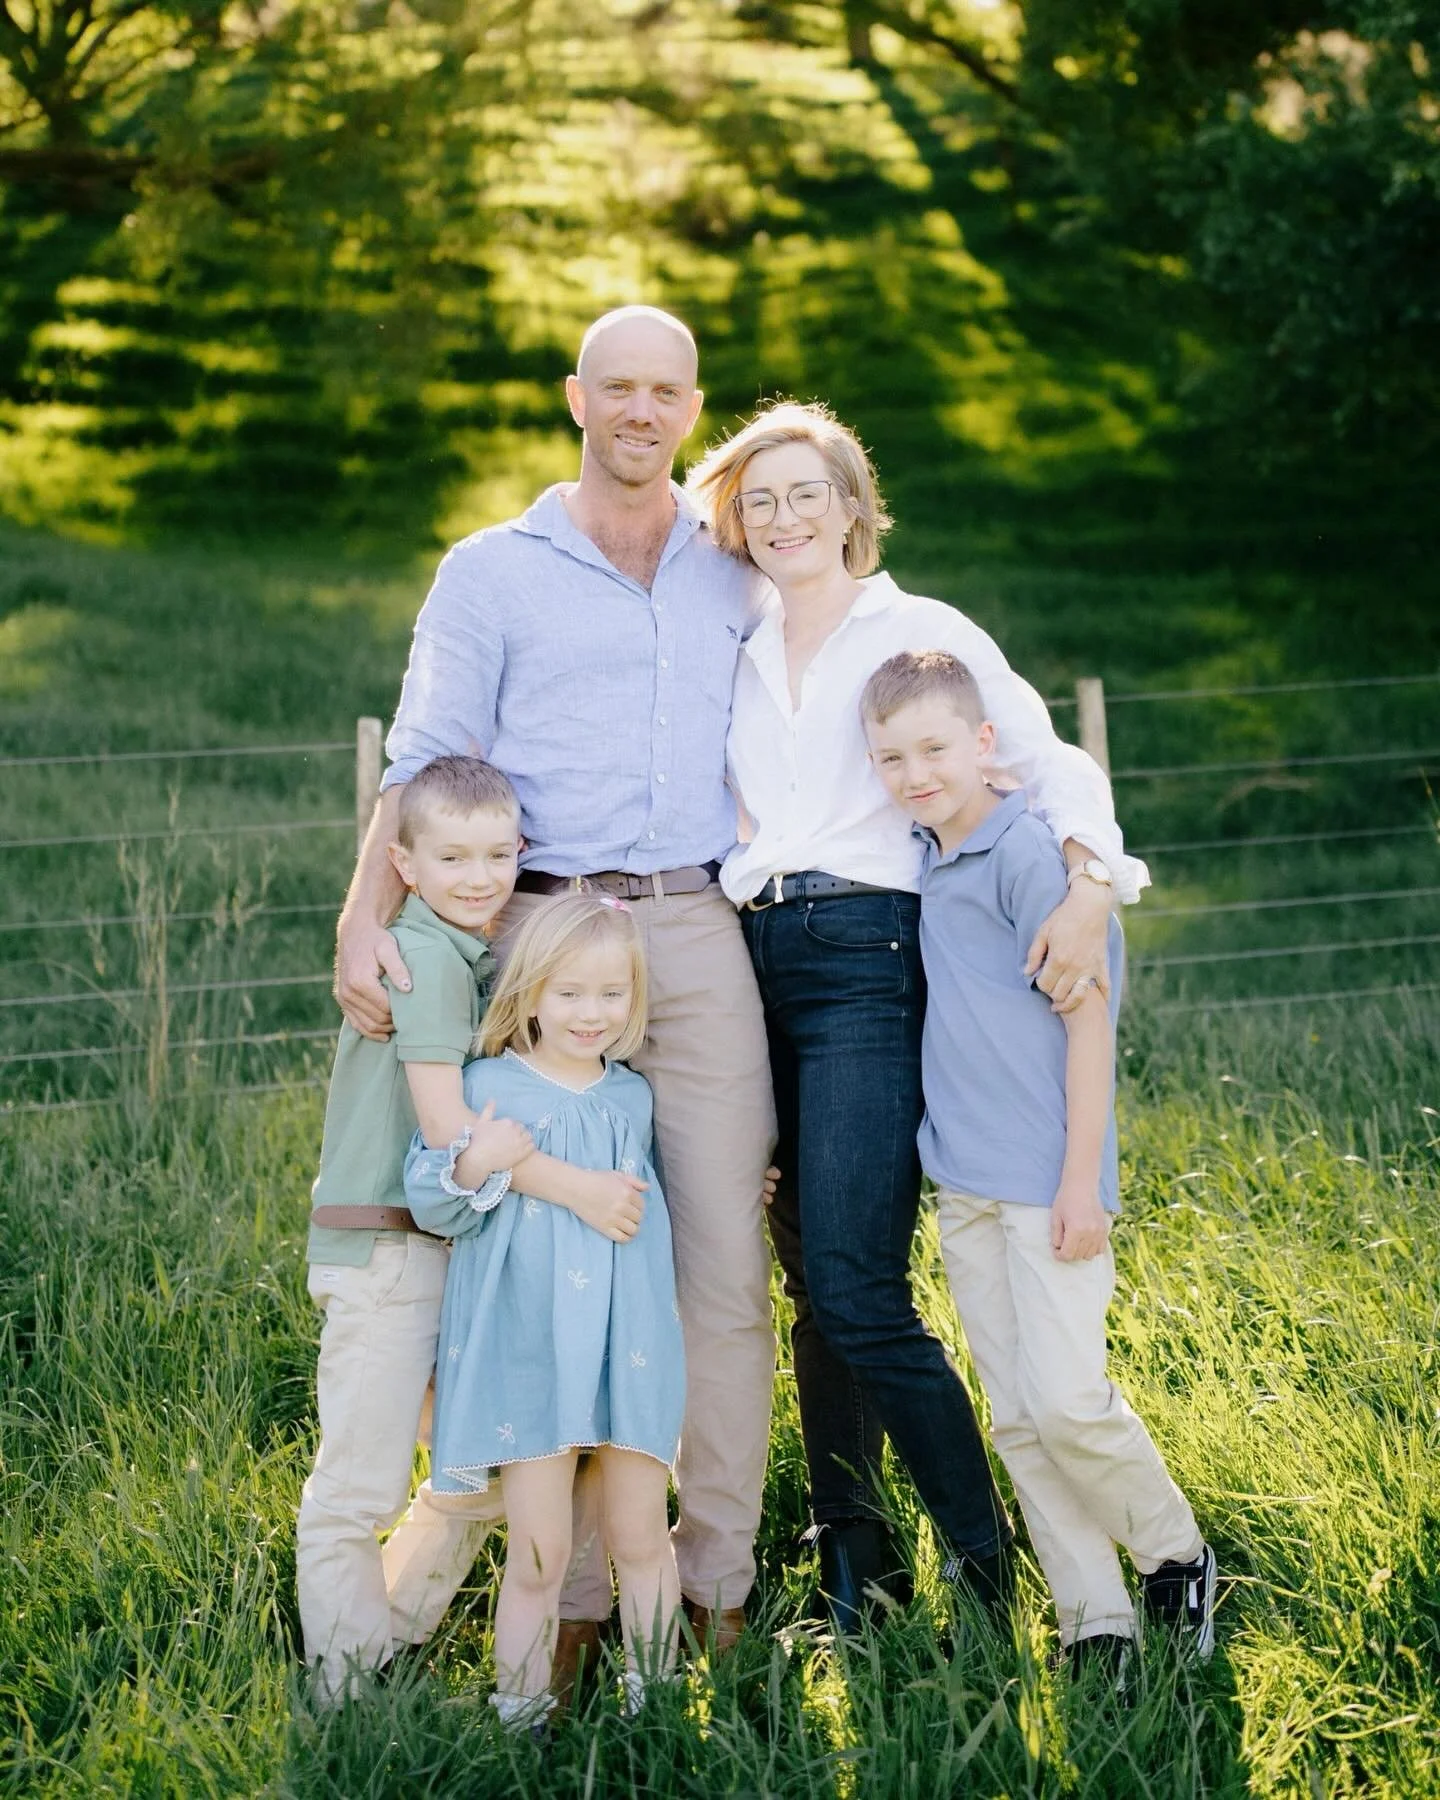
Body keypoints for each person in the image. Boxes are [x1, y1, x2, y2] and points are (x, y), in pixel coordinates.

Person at [333, 306, 778, 1660]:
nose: (642, 411)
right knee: (543, 1258)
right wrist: (366, 913)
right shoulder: (491, 571)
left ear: (691, 410)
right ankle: (569, 1597)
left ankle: (708, 1583)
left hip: (694, 926)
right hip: (538, 931)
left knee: (716, 1263)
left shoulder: (734, 571)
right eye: (618, 387)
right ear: (576, 398)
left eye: (667, 391)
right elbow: (423, 757)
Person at [686, 400, 1150, 1631]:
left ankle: (984, 1562)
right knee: (803, 1269)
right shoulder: (730, 638)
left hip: (864, 959)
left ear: (852, 505)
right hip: (748, 956)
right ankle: (854, 1546)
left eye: (808, 493)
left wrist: (1096, 888)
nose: (784, 518)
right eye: (760, 499)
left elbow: (1048, 761)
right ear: (738, 518)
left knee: (855, 1281)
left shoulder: (920, 630)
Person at [861, 649, 1217, 1677]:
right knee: (1017, 1416)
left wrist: (1079, 1181)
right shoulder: (928, 853)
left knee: (1068, 1399)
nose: (915, 773)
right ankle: (1091, 1620)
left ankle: (1176, 1553)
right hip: (964, 1183)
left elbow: (1090, 1024)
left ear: (984, 745)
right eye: (891, 757)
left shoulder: (1029, 859)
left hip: (1047, 1181)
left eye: (935, 748)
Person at [298, 754, 645, 1701]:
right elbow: (453, 1132)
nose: (480, 876)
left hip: (436, 1245)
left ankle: (386, 1638)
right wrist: (576, 1186)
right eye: (452, 856)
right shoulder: (422, 958)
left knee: (479, 1479)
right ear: (404, 863)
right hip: (384, 1245)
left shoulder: (467, 956)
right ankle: (347, 1697)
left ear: (523, 852)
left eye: (498, 854)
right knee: (356, 1489)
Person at [405, 895, 685, 1725]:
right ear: (528, 992)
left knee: (641, 1538)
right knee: (539, 1553)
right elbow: (433, 1194)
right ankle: (519, 1719)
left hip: (627, 1343)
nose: (590, 1014)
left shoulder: (631, 1097)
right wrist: (472, 1164)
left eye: (611, 995)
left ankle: (658, 1710)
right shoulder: (488, 1088)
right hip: (532, 1353)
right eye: (569, 994)